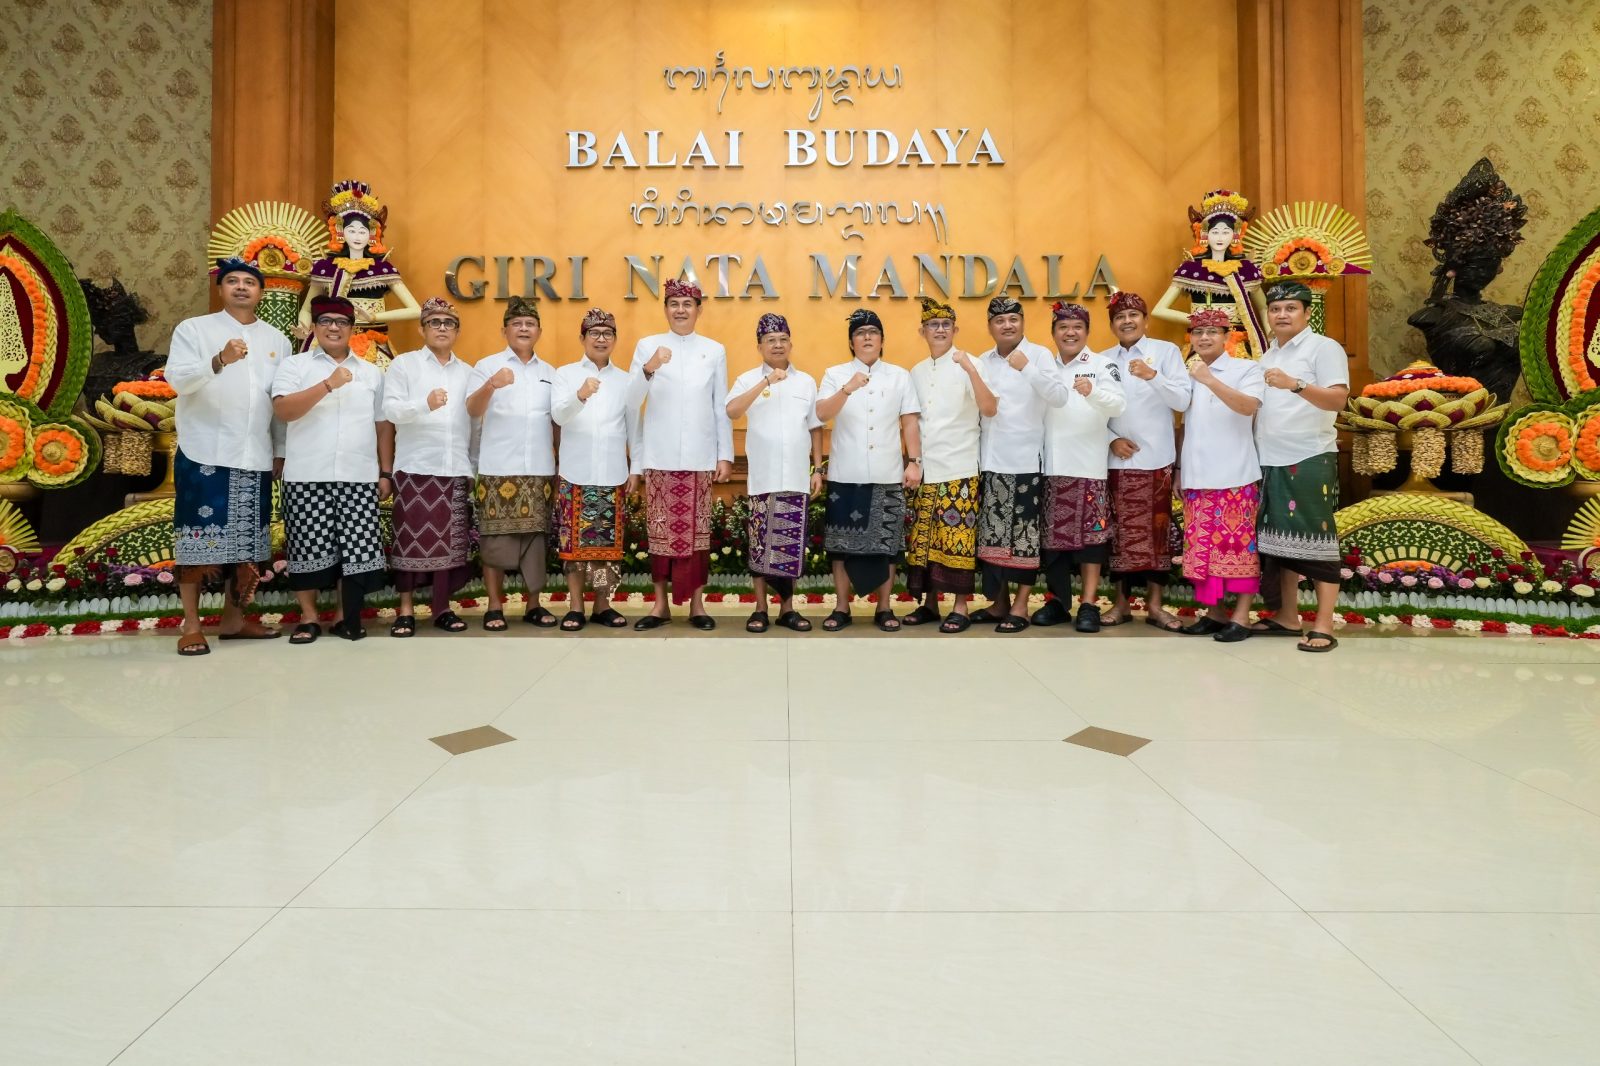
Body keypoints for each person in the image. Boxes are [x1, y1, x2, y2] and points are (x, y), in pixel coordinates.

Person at [164, 257, 292, 656]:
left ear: (260, 292)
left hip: (253, 455)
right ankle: (192, 624)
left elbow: (277, 402)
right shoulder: (194, 330)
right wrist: (218, 360)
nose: (240, 287)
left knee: (247, 545)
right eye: (232, 281)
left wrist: (280, 451)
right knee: (196, 543)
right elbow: (178, 380)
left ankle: (234, 621)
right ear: (220, 289)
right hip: (206, 451)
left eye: (249, 282)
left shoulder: (278, 340)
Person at [271, 295, 391, 643]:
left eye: (341, 321)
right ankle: (309, 618)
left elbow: (382, 425)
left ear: (353, 329)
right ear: (315, 327)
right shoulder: (295, 366)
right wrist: (328, 384)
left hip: (358, 474)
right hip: (307, 473)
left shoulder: (371, 372)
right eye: (326, 321)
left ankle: (344, 616)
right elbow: (284, 411)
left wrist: (385, 471)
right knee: (308, 547)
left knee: (357, 549)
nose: (334, 327)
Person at [1251, 280, 1351, 652]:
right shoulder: (1267, 355)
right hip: (1268, 457)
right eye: (1275, 309)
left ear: (1307, 313)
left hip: (1308, 455)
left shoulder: (1324, 348)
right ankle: (1287, 617)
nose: (1281, 314)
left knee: (1317, 538)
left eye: (1290, 308)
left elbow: (1338, 400)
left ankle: (1324, 624)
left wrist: (1295, 385)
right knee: (1279, 543)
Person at [629, 278, 733, 630]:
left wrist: (725, 454)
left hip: (700, 457)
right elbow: (630, 401)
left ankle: (698, 607)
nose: (680, 310)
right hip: (659, 456)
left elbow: (720, 406)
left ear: (699, 309)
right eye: (673, 303)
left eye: (687, 304)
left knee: (698, 537)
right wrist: (649, 367)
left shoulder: (714, 350)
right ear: (665, 309)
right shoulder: (648, 346)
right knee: (659, 535)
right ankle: (659, 606)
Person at [815, 308, 922, 632]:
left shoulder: (900, 376)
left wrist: (915, 462)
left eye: (872, 333)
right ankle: (842, 607)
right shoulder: (835, 374)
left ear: (881, 340)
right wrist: (847, 388)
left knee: (887, 547)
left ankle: (885, 608)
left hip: (887, 472)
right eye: (860, 334)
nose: (867, 338)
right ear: (851, 342)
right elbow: (821, 413)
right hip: (846, 474)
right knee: (840, 547)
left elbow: (909, 423)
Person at [973, 295, 1069, 633]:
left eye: (1013, 319)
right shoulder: (983, 360)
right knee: (994, 536)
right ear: (990, 327)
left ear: (1022, 322)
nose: (1007, 325)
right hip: (990, 461)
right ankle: (999, 603)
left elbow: (1059, 397)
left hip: (1027, 461)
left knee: (1025, 538)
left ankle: (1020, 605)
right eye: (1000, 321)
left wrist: (1026, 367)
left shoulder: (1040, 355)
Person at [382, 296, 474, 637]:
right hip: (415, 468)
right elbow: (390, 411)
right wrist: (424, 404)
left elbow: (474, 427)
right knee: (409, 540)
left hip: (454, 468)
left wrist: (473, 467)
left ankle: (441, 608)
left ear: (457, 331)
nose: (441, 328)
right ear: (422, 328)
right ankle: (405, 610)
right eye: (434, 322)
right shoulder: (404, 366)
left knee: (450, 544)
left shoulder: (467, 372)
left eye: (448, 323)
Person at [902, 296, 995, 633]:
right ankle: (929, 604)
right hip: (926, 468)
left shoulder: (971, 363)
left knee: (957, 539)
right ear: (922, 331)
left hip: (960, 466)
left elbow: (989, 409)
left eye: (945, 325)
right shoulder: (916, 370)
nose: (939, 330)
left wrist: (970, 369)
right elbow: (912, 421)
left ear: (955, 329)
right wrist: (913, 462)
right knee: (924, 540)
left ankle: (960, 607)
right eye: (933, 325)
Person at [467, 296, 560, 630]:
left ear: (539, 331)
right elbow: (472, 410)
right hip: (496, 468)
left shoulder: (551, 373)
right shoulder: (486, 366)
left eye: (530, 324)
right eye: (517, 323)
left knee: (536, 540)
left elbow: (556, 423)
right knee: (494, 539)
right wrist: (491, 385)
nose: (523, 328)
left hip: (539, 470)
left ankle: (534, 605)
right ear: (504, 329)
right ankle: (494, 606)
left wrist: (560, 464)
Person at [726, 313, 823, 632]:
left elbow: (816, 427)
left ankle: (788, 609)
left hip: (796, 477)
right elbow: (732, 411)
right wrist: (766, 381)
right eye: (771, 340)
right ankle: (759, 609)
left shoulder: (806, 381)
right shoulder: (747, 379)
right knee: (759, 545)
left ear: (790, 343)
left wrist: (818, 467)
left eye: (783, 339)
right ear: (760, 346)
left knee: (790, 545)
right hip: (763, 479)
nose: (778, 345)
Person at [1033, 301, 1126, 633]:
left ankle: (1088, 604)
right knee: (1052, 544)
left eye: (1077, 327)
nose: (1069, 333)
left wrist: (1093, 392)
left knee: (1091, 542)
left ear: (1086, 332)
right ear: (1054, 333)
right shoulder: (1043, 365)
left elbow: (1118, 404)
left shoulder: (1103, 365)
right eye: (1063, 327)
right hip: (1050, 466)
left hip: (1088, 465)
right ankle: (1057, 601)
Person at [1102, 291, 1192, 631]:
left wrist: (1153, 377)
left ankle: (1155, 606)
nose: (1126, 321)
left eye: (1133, 315)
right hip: (1115, 462)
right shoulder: (1103, 359)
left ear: (1145, 320)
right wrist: (1111, 440)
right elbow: (1095, 410)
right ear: (1112, 325)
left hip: (1156, 461)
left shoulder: (1165, 353)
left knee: (1157, 535)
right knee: (1118, 535)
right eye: (1119, 317)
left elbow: (1183, 400)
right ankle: (1121, 604)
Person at [1175, 309, 1265, 641]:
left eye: (1213, 331)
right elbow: (1184, 426)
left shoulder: (1246, 369)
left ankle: (1240, 617)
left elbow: (1248, 407)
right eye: (1198, 333)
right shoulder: (1188, 374)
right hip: (1197, 477)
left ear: (1227, 337)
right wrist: (1179, 471)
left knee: (1237, 549)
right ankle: (1214, 614)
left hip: (1235, 476)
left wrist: (1210, 380)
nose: (1204, 338)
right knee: (1202, 551)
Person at [551, 307, 644, 631]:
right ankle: (576, 606)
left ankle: (603, 605)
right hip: (574, 473)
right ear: (583, 338)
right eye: (594, 333)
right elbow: (559, 416)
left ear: (615, 339)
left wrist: (637, 469)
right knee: (573, 548)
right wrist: (580, 395)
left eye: (607, 333)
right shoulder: (564, 374)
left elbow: (635, 428)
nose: (601, 338)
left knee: (606, 548)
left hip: (612, 474)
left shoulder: (627, 380)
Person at [294, 179, 420, 368]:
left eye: (362, 231)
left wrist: (374, 318)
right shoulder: (326, 268)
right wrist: (303, 327)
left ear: (371, 234)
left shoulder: (381, 269)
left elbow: (417, 310)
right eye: (351, 231)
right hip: (330, 339)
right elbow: (306, 309)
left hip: (371, 341)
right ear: (340, 233)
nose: (357, 236)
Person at [1151, 188, 1270, 359]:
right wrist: (1201, 320)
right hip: (1201, 343)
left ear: (1235, 235)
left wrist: (1272, 336)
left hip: (1237, 346)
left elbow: (1264, 307)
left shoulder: (1246, 271)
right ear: (1205, 235)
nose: (1220, 237)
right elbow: (1159, 310)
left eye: (1225, 232)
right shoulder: (1192, 270)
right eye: (1215, 232)